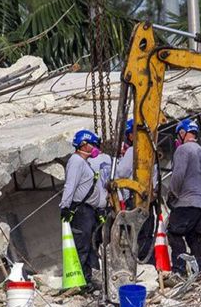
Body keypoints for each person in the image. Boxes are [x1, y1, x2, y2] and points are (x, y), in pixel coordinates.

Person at [166, 118, 201, 277]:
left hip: (186, 201)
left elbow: (178, 175)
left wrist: (172, 194)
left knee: (174, 232)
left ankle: (178, 271)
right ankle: (200, 271)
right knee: (194, 237)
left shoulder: (183, 150)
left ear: (182, 132)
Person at [60, 129, 103, 286]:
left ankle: (93, 279)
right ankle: (82, 280)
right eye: (92, 145)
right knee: (82, 245)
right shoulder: (76, 161)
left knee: (91, 245)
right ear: (84, 145)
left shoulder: (84, 163)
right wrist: (65, 206)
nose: (94, 148)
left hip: (89, 211)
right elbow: (70, 185)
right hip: (81, 211)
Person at [115, 119, 157, 263]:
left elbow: (121, 172)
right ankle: (150, 264)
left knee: (135, 235)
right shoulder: (151, 151)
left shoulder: (133, 150)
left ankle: (138, 265)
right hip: (149, 201)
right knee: (147, 235)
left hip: (135, 200)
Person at [87, 131, 113, 262]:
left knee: (94, 241)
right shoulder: (109, 159)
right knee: (110, 239)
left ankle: (96, 265)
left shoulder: (89, 163)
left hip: (96, 207)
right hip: (110, 206)